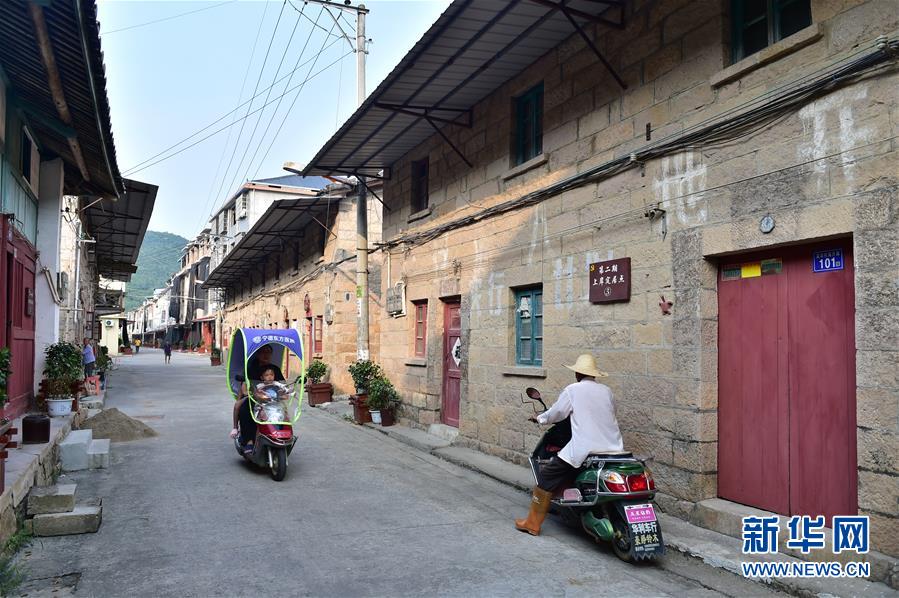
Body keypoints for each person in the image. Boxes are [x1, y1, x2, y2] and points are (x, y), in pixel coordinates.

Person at [514, 354, 623, 536]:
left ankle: (532, 524)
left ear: (577, 373)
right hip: (613, 447)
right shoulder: (607, 391)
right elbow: (611, 412)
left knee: (547, 475)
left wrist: (540, 418)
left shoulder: (573, 390)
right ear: (594, 374)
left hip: (585, 448)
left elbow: (557, 413)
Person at [230, 345, 285, 451]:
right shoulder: (251, 369)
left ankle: (279, 435)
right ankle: (248, 440)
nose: (266, 354)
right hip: (253, 398)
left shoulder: (275, 369)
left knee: (282, 411)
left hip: (271, 399)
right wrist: (250, 394)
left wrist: (284, 392)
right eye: (263, 352)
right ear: (258, 354)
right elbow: (244, 387)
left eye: (268, 352)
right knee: (246, 409)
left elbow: (282, 384)